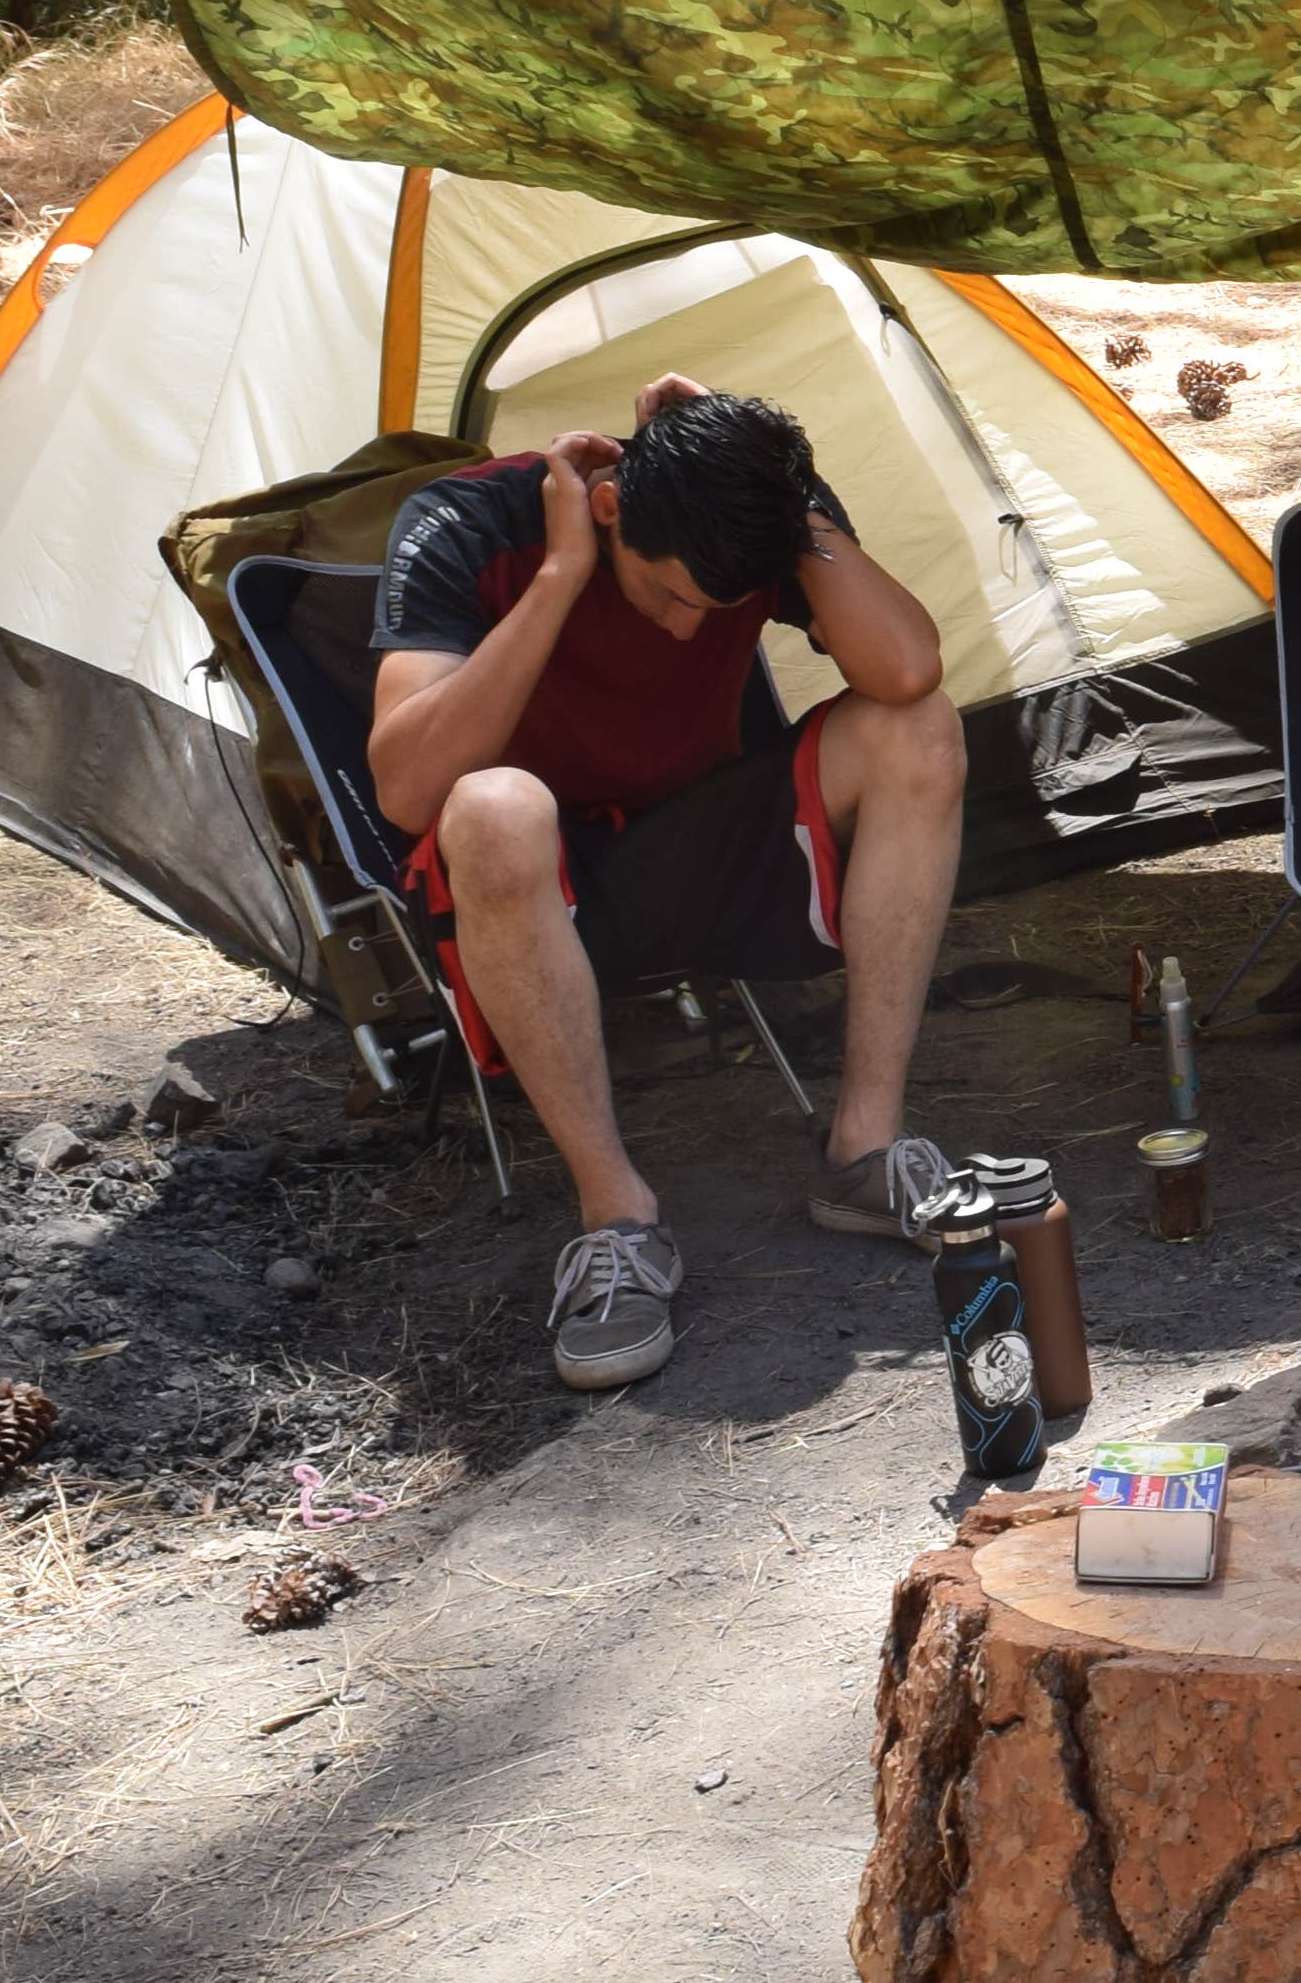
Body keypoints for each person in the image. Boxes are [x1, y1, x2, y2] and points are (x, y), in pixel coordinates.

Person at [367, 378, 969, 1392]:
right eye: (666, 594)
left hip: (692, 845)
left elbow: (907, 669)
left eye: (718, 608)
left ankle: (867, 1147)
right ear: (610, 509)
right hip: (531, 884)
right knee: (494, 804)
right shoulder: (469, 519)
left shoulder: (752, 522)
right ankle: (618, 1218)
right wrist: (562, 575)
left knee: (922, 728)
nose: (691, 630)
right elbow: (408, 787)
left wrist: (798, 497)